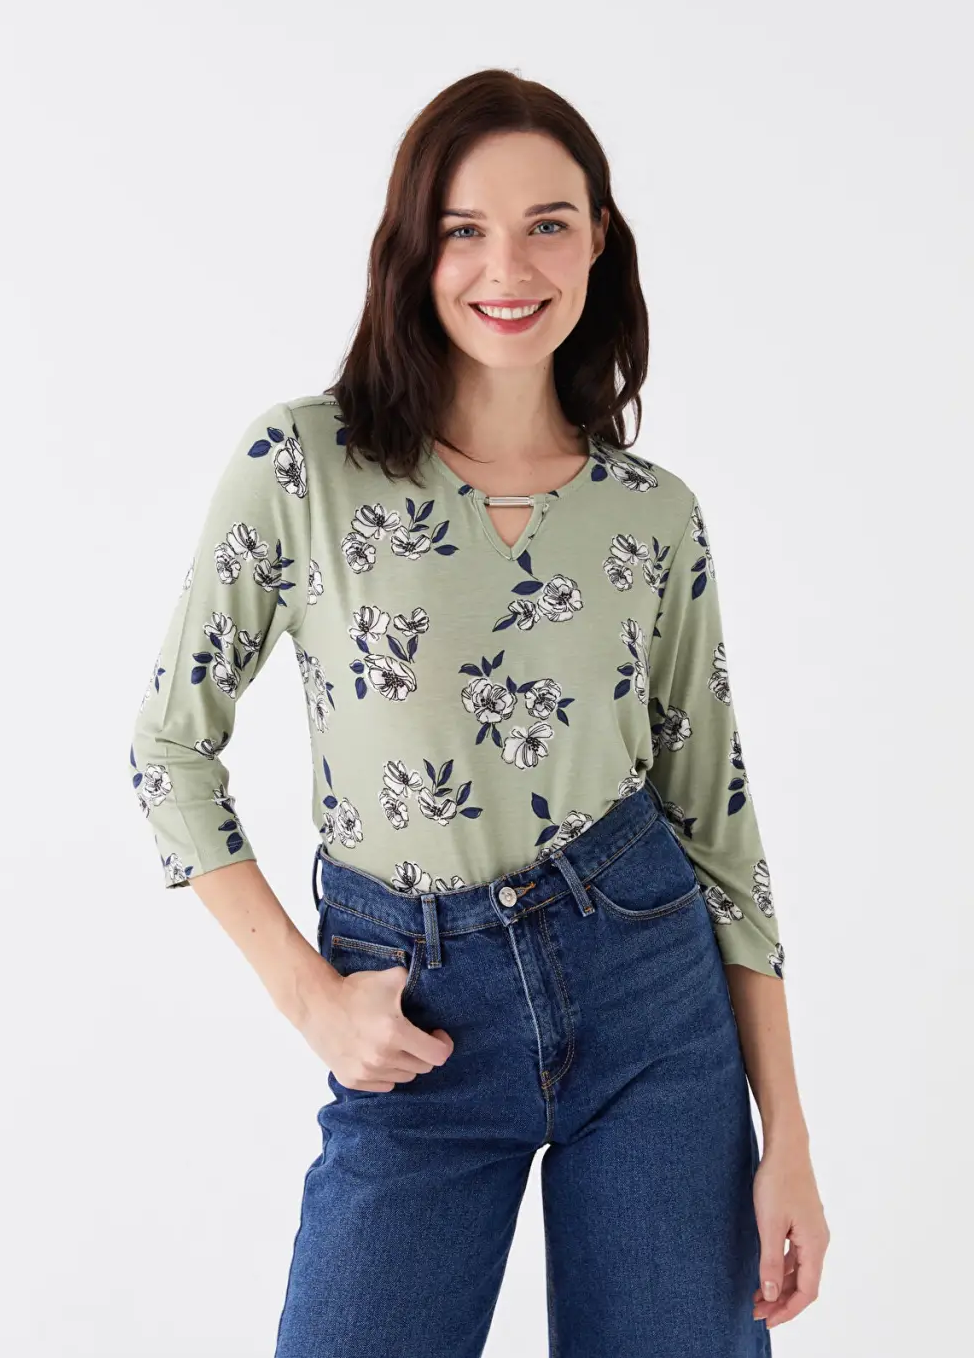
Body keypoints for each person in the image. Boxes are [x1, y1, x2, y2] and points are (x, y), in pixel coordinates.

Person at [129, 68, 828, 1358]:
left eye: (547, 224)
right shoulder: (306, 464)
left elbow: (720, 830)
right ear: (415, 248)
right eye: (465, 229)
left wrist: (786, 1137)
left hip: (651, 1002)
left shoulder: (652, 513)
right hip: (413, 1012)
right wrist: (311, 1000)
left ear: (598, 240)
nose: (508, 267)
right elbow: (170, 749)